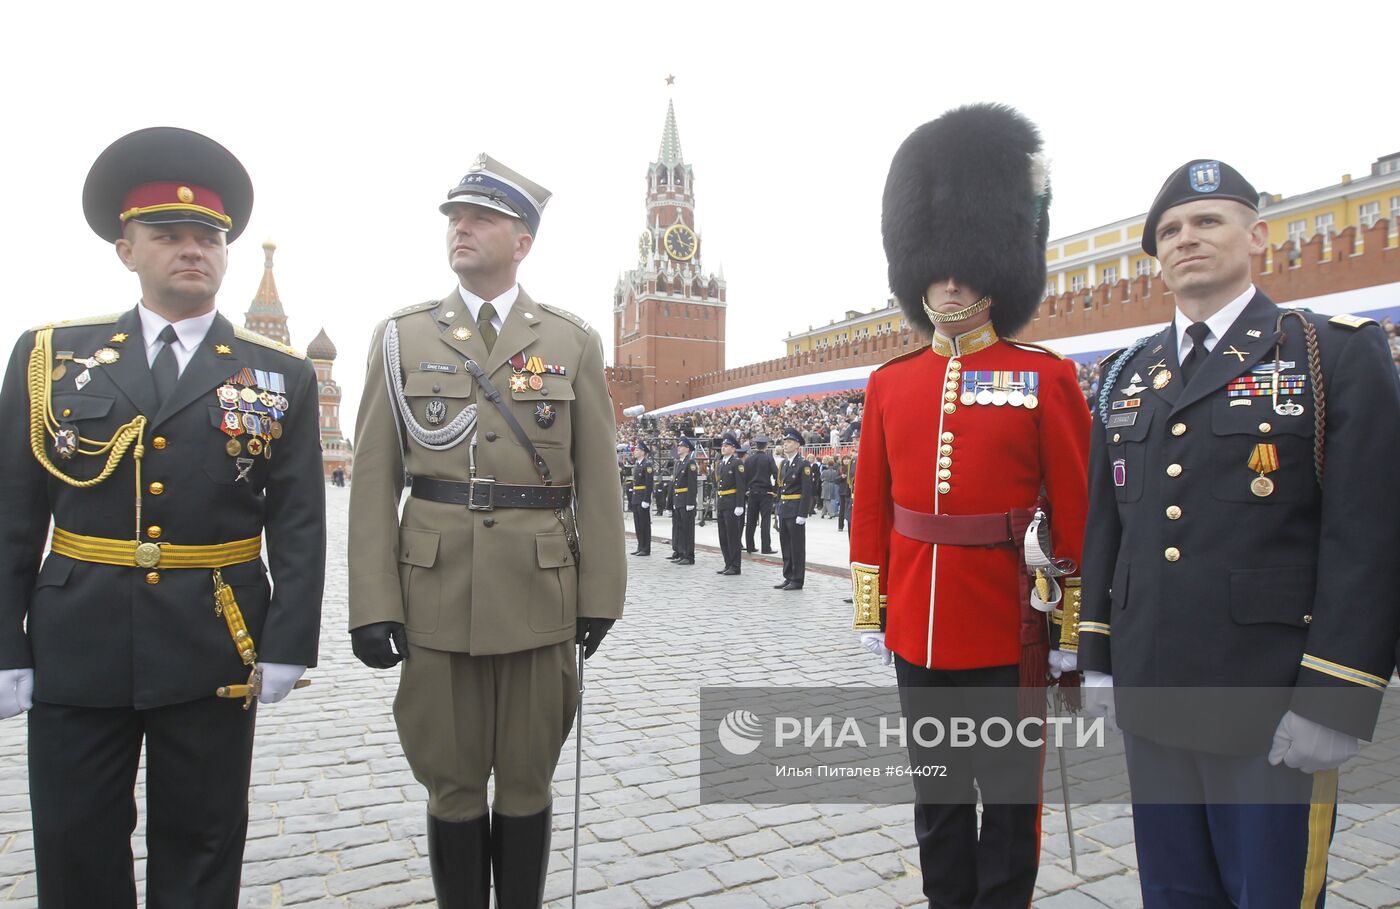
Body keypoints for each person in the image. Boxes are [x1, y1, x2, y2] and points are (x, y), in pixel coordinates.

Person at [0, 127, 326, 908]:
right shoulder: (52, 355)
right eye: (168, 235)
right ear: (126, 249)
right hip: (80, 637)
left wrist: (288, 641)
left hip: (213, 638)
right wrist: (4, 638)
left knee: (204, 839)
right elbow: (14, 507)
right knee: (77, 839)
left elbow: (301, 519)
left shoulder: (276, 372)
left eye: (207, 237)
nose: (192, 250)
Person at [1078, 158, 1400, 907]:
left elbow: (1370, 537)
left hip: (1272, 700)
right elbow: (1108, 524)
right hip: (1154, 690)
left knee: (1272, 893)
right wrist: (1098, 652)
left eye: (1206, 221)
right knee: (1174, 890)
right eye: (1170, 231)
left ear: (1257, 235)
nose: (1187, 239)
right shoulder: (1128, 374)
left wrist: (1337, 695)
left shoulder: (1330, 353)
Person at [346, 154, 626, 908]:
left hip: (539, 598)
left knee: (530, 777)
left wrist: (601, 593)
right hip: (437, 594)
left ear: (523, 240)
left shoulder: (570, 341)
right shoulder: (402, 338)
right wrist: (373, 604)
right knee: (452, 780)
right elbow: (373, 482)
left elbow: (600, 481)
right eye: (453, 218)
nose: (460, 228)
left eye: (480, 218)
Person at [849, 104, 1090, 909]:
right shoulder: (891, 383)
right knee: (939, 803)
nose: (949, 280)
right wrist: (872, 605)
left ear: (998, 267)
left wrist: (1072, 629)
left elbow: (1079, 510)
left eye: (966, 266)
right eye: (936, 266)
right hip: (916, 624)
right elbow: (872, 506)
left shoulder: (1044, 376)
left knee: (1010, 806)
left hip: (1008, 625)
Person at [774, 428, 815, 590]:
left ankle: (797, 579)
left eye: (789, 442)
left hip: (795, 509)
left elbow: (807, 491)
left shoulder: (803, 464)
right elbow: (780, 488)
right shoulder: (784, 463)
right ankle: (788, 575)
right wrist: (777, 510)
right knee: (785, 544)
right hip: (784, 508)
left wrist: (803, 513)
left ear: (797, 445)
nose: (786, 444)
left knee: (796, 546)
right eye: (784, 442)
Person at [714, 432, 747, 575]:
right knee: (723, 536)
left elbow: (741, 485)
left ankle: (735, 565)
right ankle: (728, 563)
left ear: (733, 449)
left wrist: (740, 504)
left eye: (727, 446)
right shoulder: (721, 463)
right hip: (722, 502)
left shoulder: (737, 463)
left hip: (732, 503)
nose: (723, 448)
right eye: (723, 445)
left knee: (732, 536)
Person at [743, 435, 778, 553]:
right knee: (765, 520)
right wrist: (775, 490)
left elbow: (744, 476)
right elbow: (776, 475)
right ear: (766, 446)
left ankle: (750, 545)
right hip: (765, 492)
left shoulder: (749, 459)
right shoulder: (769, 459)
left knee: (751, 521)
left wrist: (747, 489)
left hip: (752, 492)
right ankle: (766, 547)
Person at [669, 438, 698, 565]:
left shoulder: (690, 463)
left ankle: (689, 555)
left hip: (686, 499)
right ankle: (681, 552)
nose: (678, 448)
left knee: (687, 529)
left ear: (687, 448)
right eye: (678, 446)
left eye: (681, 446)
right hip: (678, 499)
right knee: (680, 528)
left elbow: (692, 484)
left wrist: (691, 502)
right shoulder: (679, 463)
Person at [629, 441, 655, 556]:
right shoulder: (637, 465)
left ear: (643, 452)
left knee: (644, 524)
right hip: (636, 496)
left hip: (642, 496)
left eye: (637, 450)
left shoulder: (647, 465)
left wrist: (646, 499)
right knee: (638, 524)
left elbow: (649, 484)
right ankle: (640, 546)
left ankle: (646, 548)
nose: (635, 452)